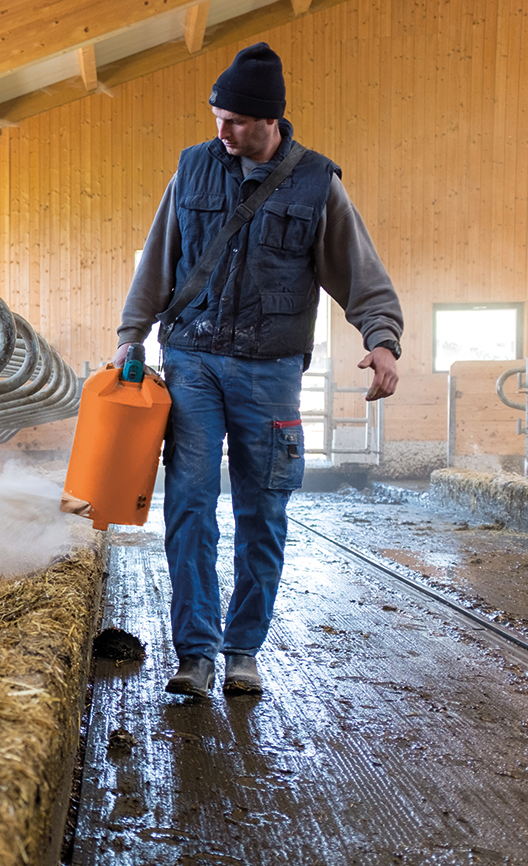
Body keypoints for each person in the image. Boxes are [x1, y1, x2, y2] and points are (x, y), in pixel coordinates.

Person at [114, 42, 403, 698]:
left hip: (269, 371)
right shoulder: (190, 170)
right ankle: (195, 652)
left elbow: (362, 275)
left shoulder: (316, 184)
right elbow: (156, 262)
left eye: (235, 122)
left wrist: (381, 339)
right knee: (189, 502)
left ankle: (242, 647)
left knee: (262, 509)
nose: (221, 132)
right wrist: (130, 337)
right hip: (191, 360)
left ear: (271, 120)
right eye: (216, 117)